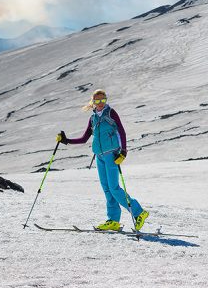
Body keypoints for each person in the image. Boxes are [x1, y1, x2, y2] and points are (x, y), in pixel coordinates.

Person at [57, 89, 149, 232]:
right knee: (106, 189)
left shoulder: (111, 113)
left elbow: (122, 132)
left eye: (103, 100)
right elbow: (84, 138)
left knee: (114, 188)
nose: (100, 103)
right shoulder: (93, 118)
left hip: (111, 155)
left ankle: (139, 212)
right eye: (97, 101)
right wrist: (66, 140)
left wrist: (123, 152)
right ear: (93, 102)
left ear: (106, 100)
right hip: (99, 156)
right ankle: (113, 220)